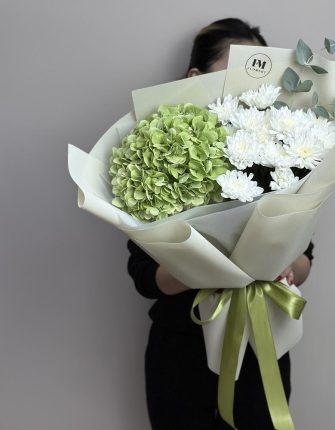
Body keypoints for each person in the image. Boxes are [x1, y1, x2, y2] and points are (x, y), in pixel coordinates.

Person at [127, 18, 314, 430]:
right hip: (180, 348)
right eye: (237, 70)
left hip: (259, 340)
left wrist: (281, 264)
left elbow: (304, 260)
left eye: (259, 72)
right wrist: (204, 266)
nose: (249, 86)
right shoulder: (154, 156)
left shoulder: (280, 155)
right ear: (195, 77)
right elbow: (144, 277)